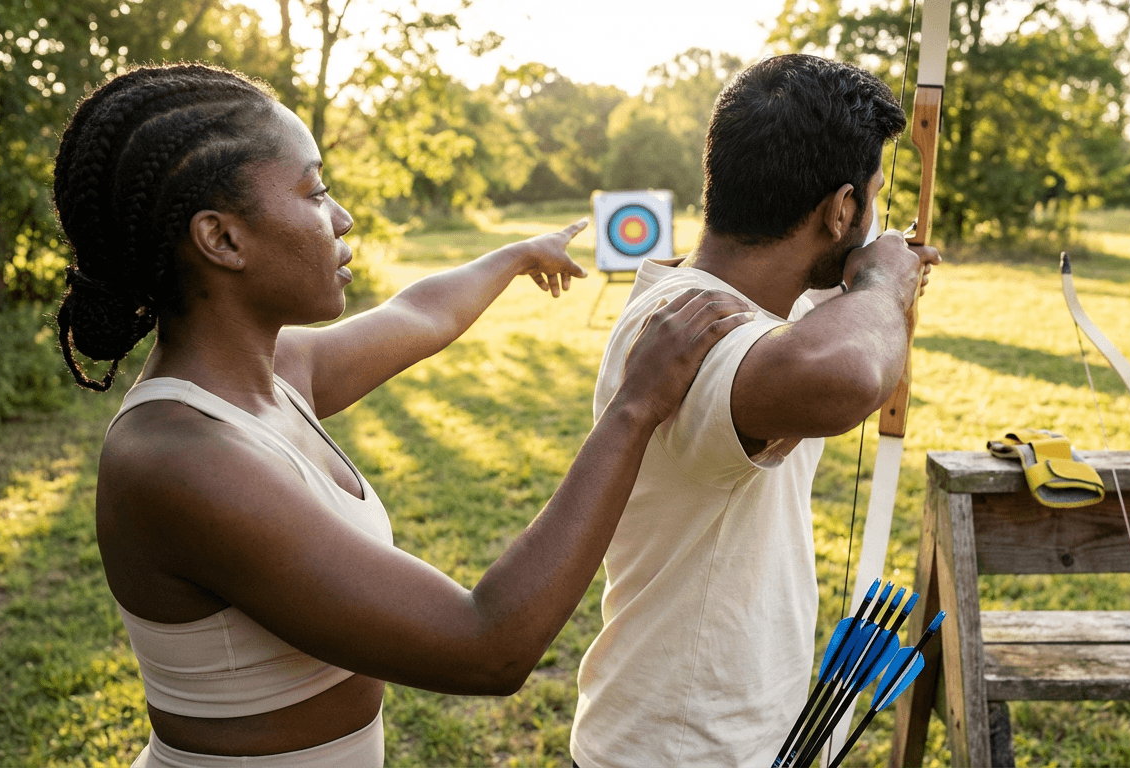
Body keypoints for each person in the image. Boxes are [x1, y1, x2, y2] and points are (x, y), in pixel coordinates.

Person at [51, 63, 751, 767]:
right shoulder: (182, 459)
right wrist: (634, 407)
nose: (341, 217)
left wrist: (514, 256)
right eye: (315, 190)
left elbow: (418, 312)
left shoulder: (273, 373)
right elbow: (488, 647)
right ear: (223, 240)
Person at [569, 54, 943, 767]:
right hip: (679, 752)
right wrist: (883, 288)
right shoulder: (697, 332)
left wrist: (875, 286)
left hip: (713, 736)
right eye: (868, 200)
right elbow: (849, 371)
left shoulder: (719, 297)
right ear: (841, 210)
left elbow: (816, 320)